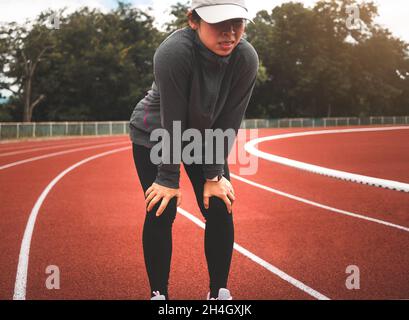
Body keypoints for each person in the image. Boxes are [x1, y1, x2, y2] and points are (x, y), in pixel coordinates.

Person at [129, 0, 259, 300]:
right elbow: (173, 118)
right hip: (155, 133)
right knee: (162, 206)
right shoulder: (173, 53)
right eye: (218, 24)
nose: (228, 33)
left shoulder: (246, 58)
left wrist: (214, 176)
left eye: (236, 24)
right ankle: (158, 295)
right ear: (193, 21)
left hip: (203, 136)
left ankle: (218, 293)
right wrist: (167, 179)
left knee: (220, 204)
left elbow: (229, 119)